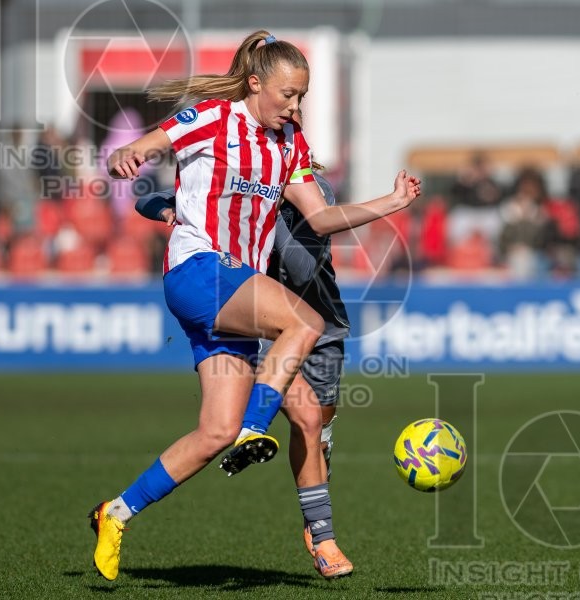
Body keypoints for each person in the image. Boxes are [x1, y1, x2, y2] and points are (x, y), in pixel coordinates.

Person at [90, 30, 420, 582]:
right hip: (199, 270)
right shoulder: (213, 118)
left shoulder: (290, 144)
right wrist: (130, 153)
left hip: (234, 292)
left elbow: (320, 219)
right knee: (305, 321)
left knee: (246, 426)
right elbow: (148, 145)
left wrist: (392, 201)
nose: (295, 106)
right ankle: (255, 427)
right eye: (288, 95)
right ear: (255, 84)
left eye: (302, 97)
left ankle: (116, 513)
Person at [135, 107, 352, 577]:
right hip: (267, 318)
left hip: (321, 323)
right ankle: (322, 535)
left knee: (317, 430)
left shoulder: (310, 190)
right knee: (302, 418)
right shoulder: (245, 184)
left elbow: (312, 248)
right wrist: (170, 210)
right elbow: (150, 199)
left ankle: (314, 505)